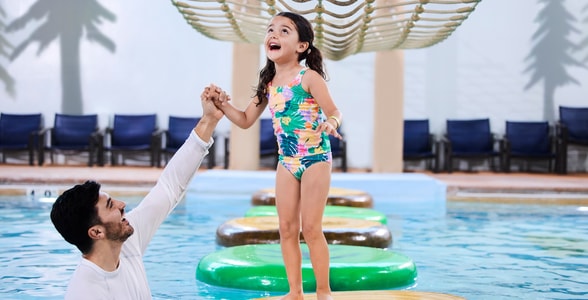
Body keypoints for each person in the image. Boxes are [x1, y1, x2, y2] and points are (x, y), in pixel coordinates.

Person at [208, 11, 342, 300]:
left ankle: (323, 291)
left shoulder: (309, 77)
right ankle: (295, 292)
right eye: (271, 30)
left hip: (315, 158)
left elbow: (334, 111)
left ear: (301, 46)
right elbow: (244, 119)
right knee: (286, 228)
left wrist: (330, 123)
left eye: (284, 31)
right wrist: (220, 103)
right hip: (287, 161)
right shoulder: (269, 82)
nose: (274, 35)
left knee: (311, 228)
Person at [49, 87, 224, 299]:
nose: (122, 205)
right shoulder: (86, 292)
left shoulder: (126, 241)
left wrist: (209, 120)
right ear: (96, 232)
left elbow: (170, 186)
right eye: (111, 206)